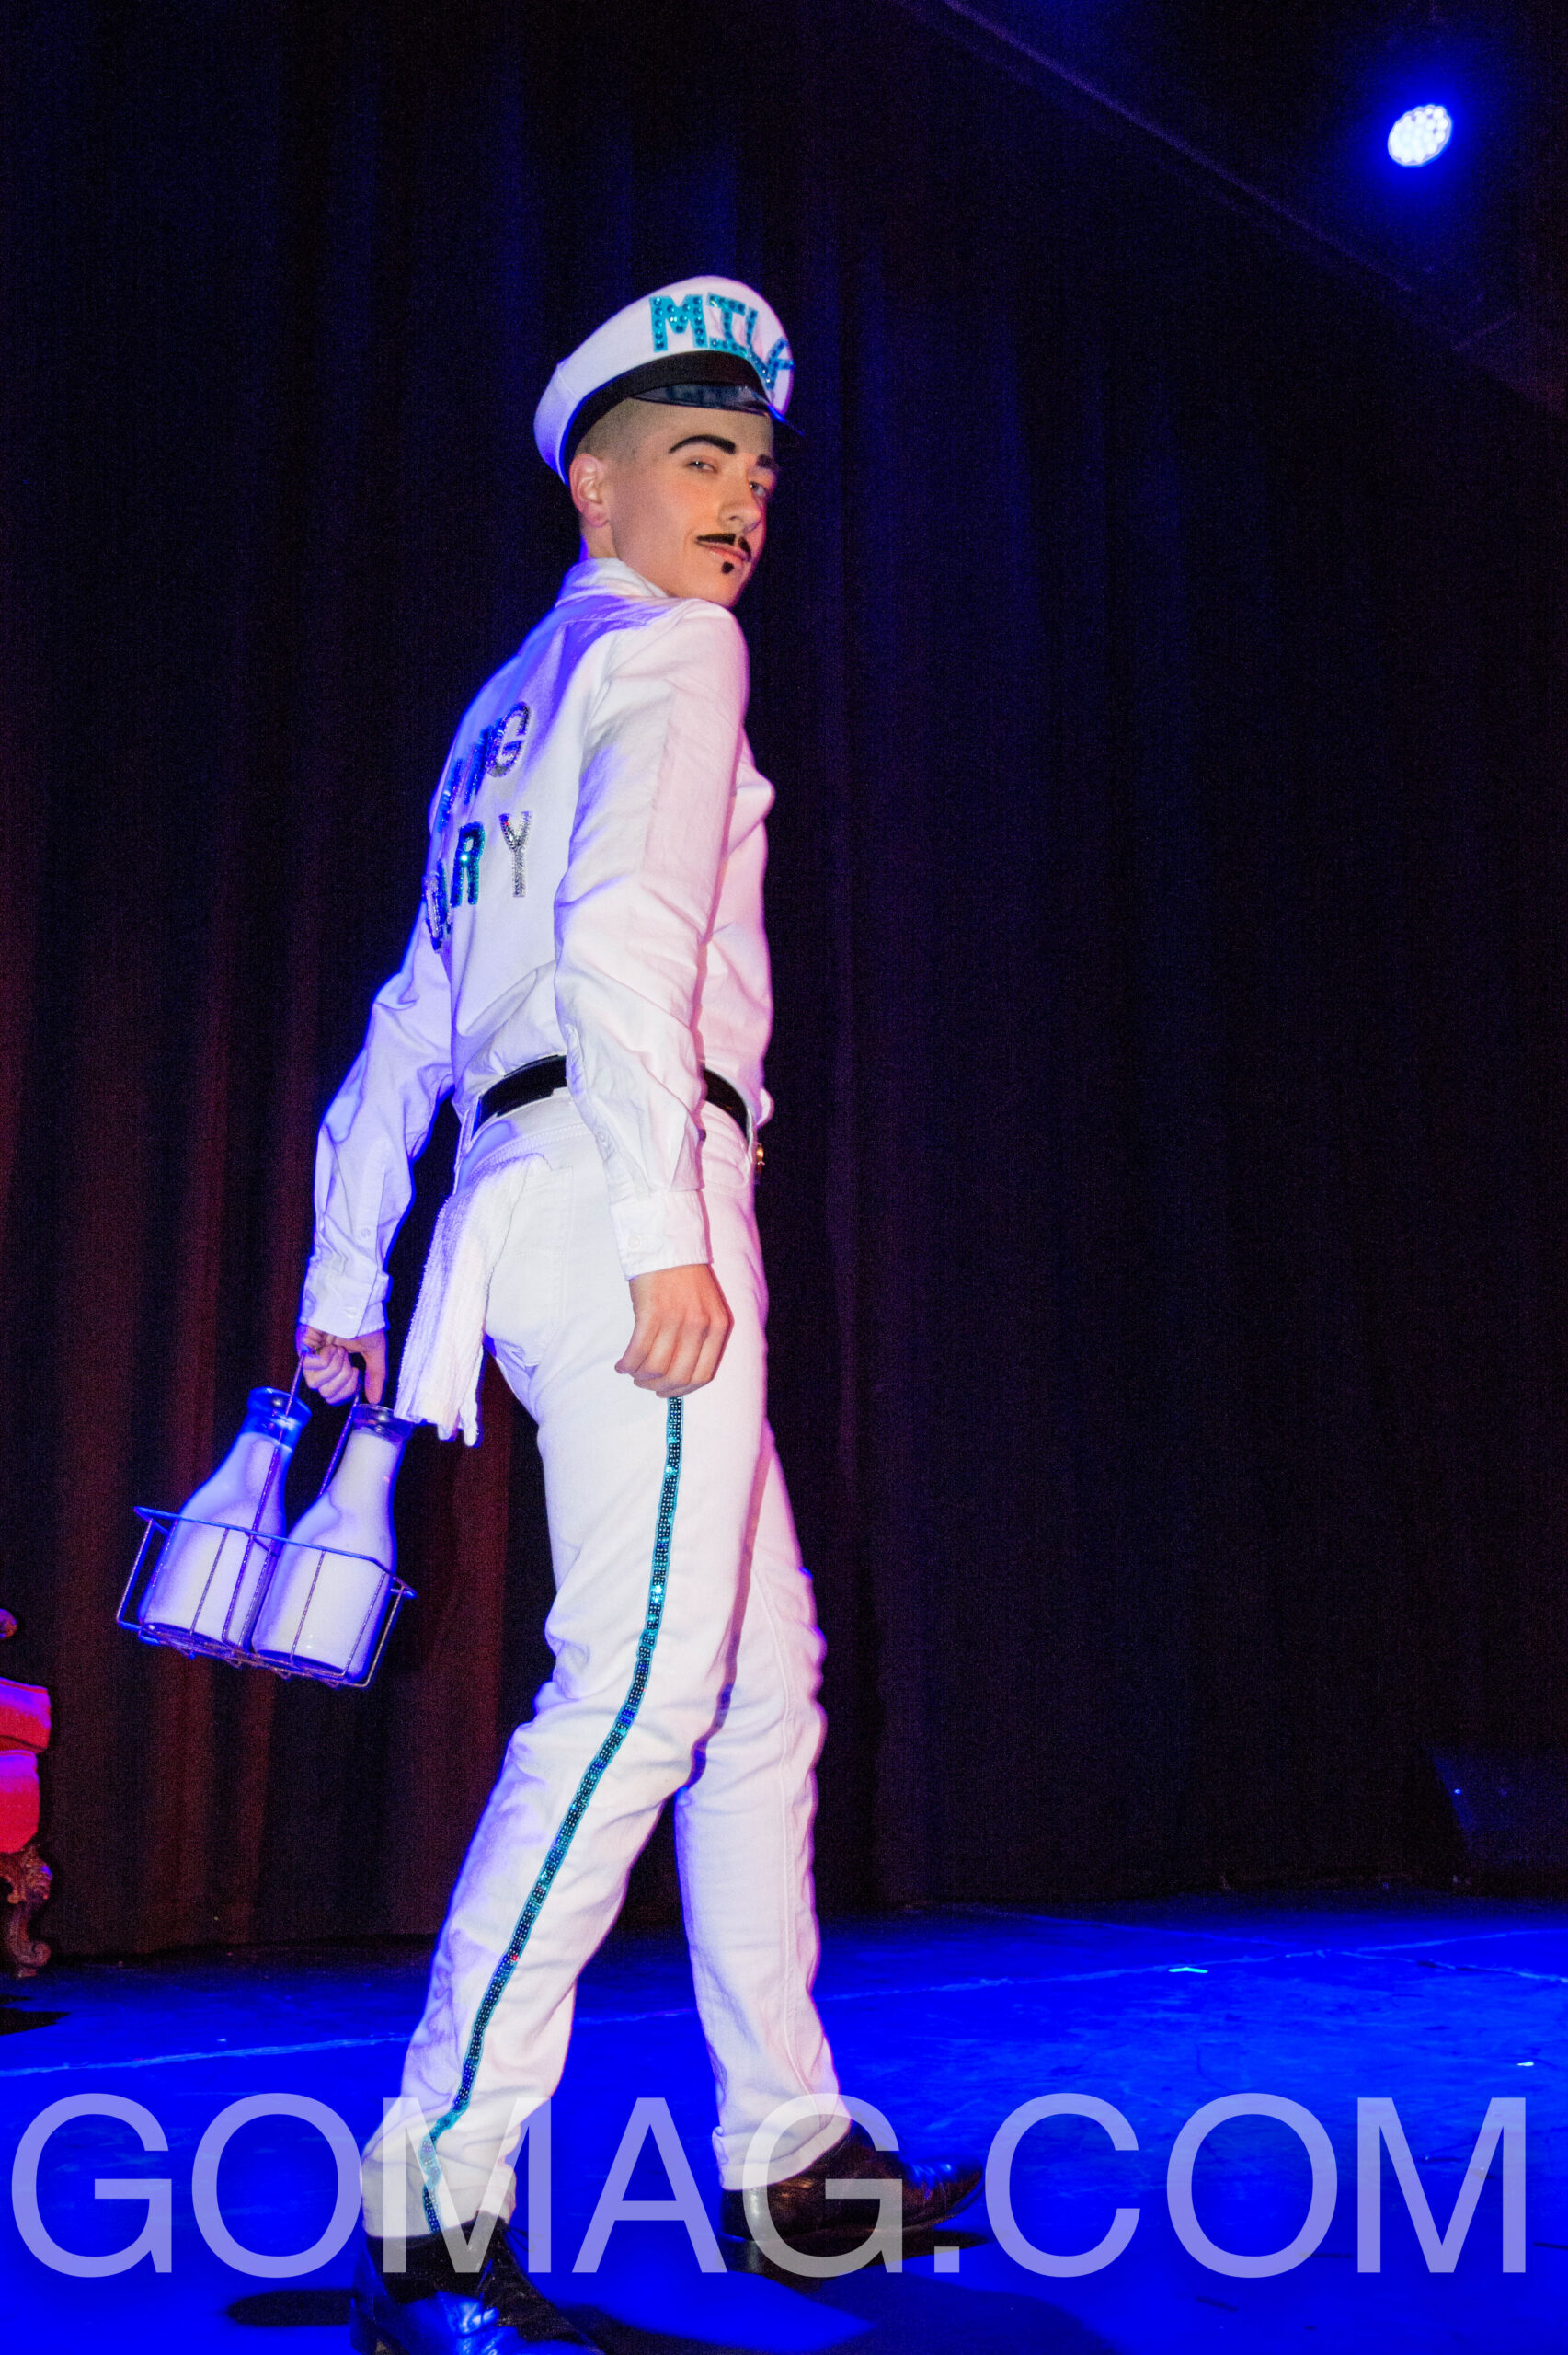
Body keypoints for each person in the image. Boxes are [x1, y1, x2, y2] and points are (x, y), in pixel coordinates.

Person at [296, 277, 979, 2355]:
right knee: (637, 1696)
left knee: (760, 1678)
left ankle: (790, 2158)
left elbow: (410, 1017)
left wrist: (345, 1275)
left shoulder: (505, 706)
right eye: (698, 458)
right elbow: (623, 938)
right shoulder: (681, 647)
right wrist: (674, 1225)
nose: (742, 499)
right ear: (593, 487)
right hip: (631, 1186)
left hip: (531, 1199)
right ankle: (432, 2207)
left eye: (759, 467)